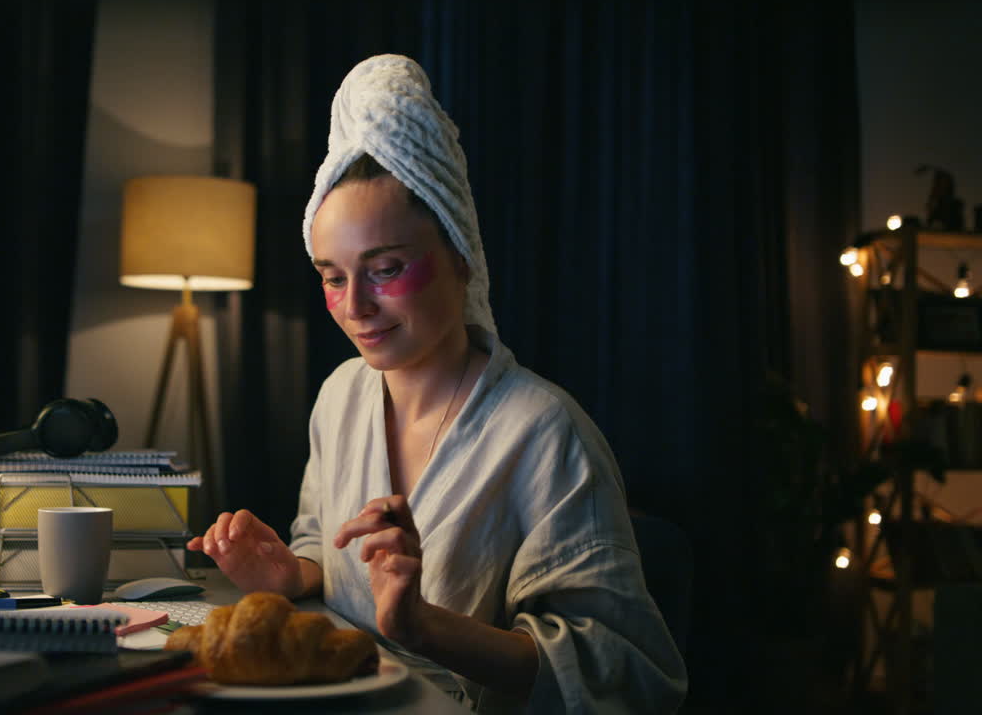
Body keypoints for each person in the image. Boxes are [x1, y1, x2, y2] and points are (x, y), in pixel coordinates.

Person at [186, 54, 687, 713]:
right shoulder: (341, 396)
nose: (356, 306)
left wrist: (422, 626)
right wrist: (293, 572)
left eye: (386, 268)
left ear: (461, 256)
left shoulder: (543, 432)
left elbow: (626, 674)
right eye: (333, 277)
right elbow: (319, 544)